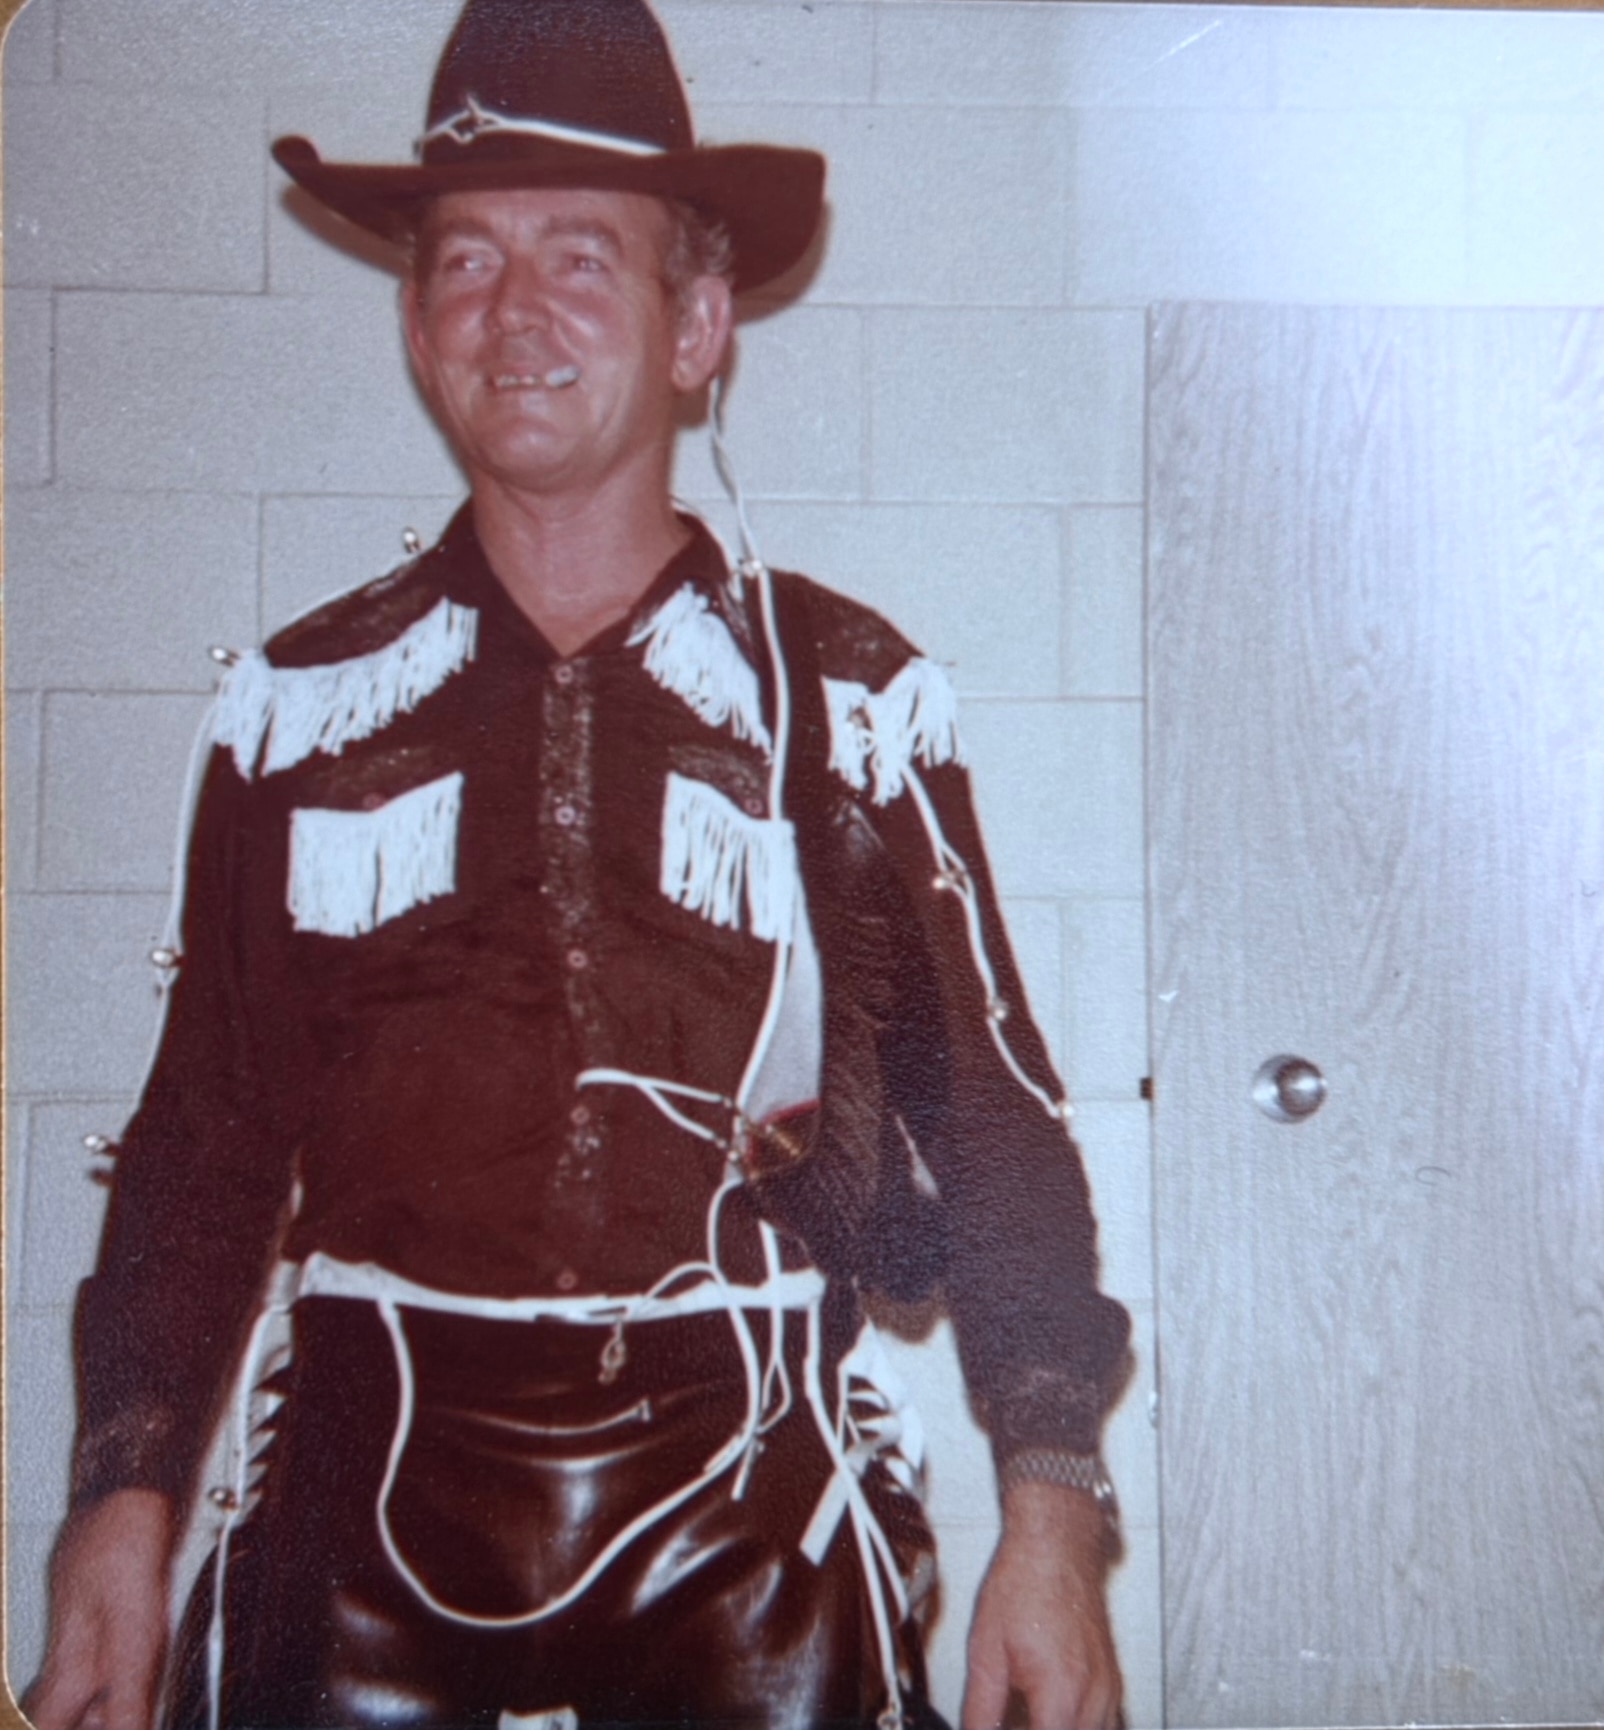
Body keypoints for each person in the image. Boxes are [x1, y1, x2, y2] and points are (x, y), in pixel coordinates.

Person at [25, 2, 1132, 1727]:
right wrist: (119, 1505)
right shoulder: (297, 712)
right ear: (413, 321)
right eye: (462, 261)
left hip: (751, 1525)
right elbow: (203, 1139)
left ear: (699, 328)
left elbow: (991, 1118)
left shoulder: (842, 703)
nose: (510, 311)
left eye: (578, 257)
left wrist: (1051, 1514)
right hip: (358, 1509)